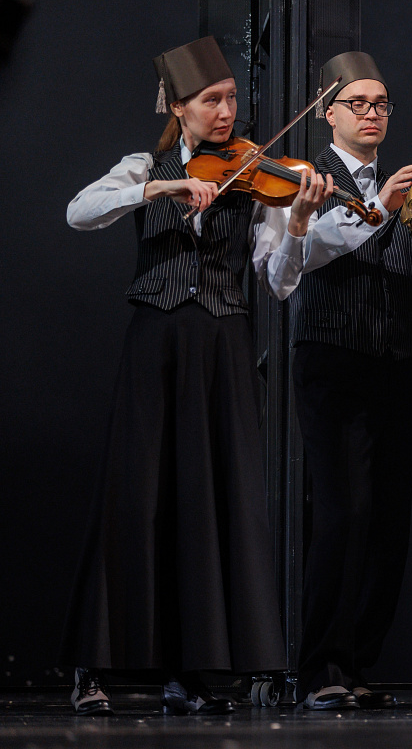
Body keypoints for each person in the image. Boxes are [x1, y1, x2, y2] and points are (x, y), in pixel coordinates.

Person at [61, 36, 330, 715]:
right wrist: (162, 186)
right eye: (211, 100)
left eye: (231, 98)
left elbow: (277, 281)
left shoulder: (255, 175)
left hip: (222, 346)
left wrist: (298, 223)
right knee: (135, 498)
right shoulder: (142, 166)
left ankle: (195, 670)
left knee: (211, 502)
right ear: (177, 107)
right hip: (155, 344)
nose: (226, 112)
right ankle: (94, 666)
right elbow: (79, 212)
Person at [290, 51, 412, 711]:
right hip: (332, 359)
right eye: (358, 103)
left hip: (394, 362)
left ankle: (358, 662)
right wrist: (377, 205)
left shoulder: (409, 186)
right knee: (341, 515)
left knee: (390, 524)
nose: (372, 113)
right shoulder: (308, 177)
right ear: (327, 112)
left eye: (381, 103)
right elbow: (296, 259)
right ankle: (321, 668)